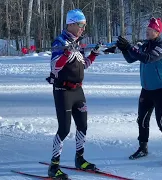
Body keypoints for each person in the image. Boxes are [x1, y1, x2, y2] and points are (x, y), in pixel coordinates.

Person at [46, 9, 100, 179]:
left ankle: (80, 159)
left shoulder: (78, 42)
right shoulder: (60, 42)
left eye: (84, 25)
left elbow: (83, 65)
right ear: (71, 24)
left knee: (83, 126)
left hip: (78, 90)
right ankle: (53, 166)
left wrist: (95, 54)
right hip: (63, 91)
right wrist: (67, 53)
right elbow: (55, 67)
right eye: (81, 25)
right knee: (64, 129)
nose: (83, 28)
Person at [116, 17, 162, 165]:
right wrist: (125, 49)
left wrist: (130, 47)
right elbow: (131, 59)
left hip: (161, 89)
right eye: (147, 29)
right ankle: (143, 148)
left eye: (150, 30)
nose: (147, 32)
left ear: (157, 32)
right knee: (142, 120)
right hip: (147, 89)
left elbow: (148, 59)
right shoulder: (145, 45)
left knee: (161, 122)